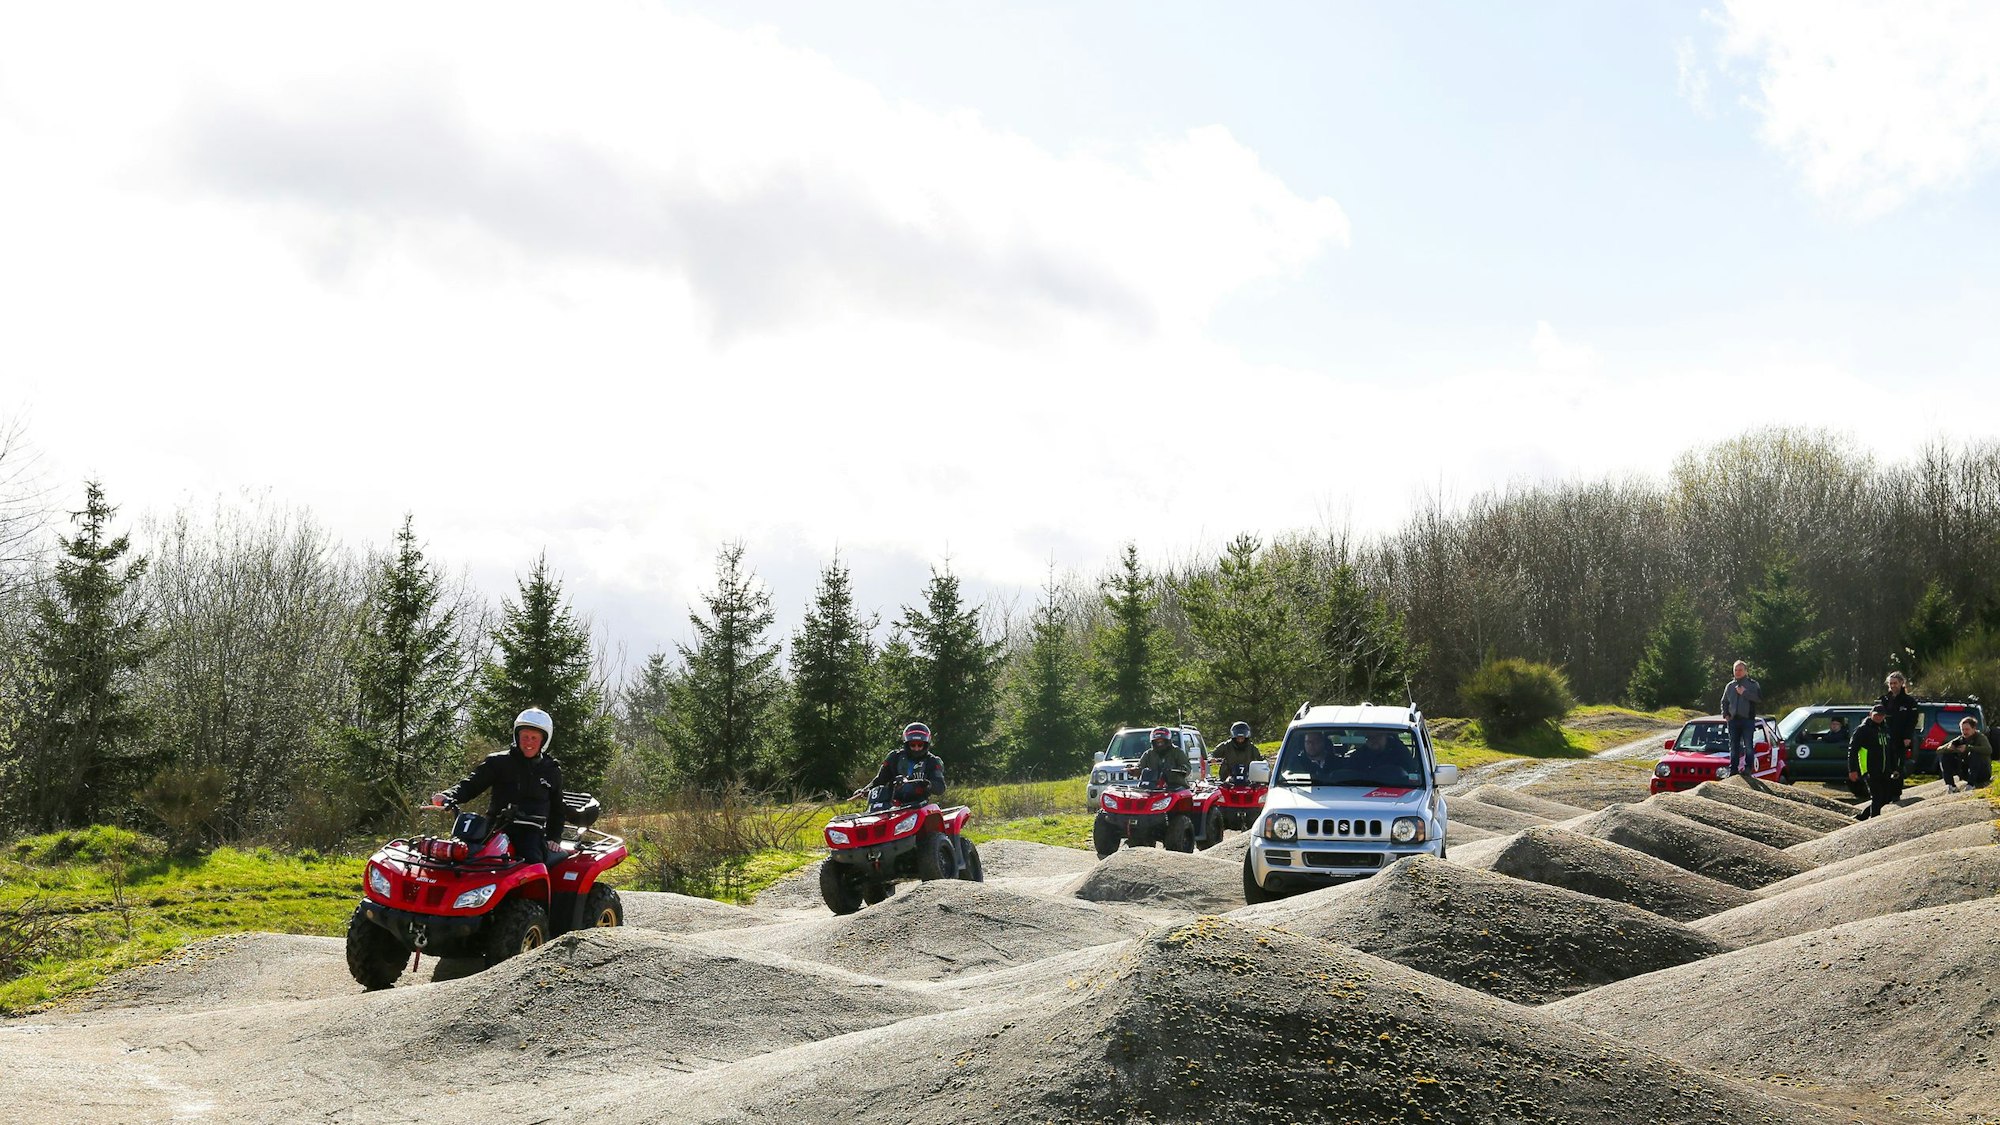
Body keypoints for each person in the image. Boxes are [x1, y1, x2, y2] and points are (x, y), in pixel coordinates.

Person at [433, 707, 566, 867]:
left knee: (530, 866)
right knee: (460, 857)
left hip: (530, 834)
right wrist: (448, 795)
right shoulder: (498, 762)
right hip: (494, 829)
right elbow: (471, 784)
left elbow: (558, 808)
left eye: (534, 738)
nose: (528, 742)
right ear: (517, 736)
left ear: (543, 741)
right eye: (524, 737)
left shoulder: (551, 770)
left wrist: (554, 838)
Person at [859, 722, 947, 806]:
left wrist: (927, 784)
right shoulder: (894, 757)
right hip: (891, 806)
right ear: (906, 744)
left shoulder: (933, 761)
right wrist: (865, 791)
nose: (916, 748)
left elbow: (940, 788)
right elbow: (880, 780)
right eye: (912, 744)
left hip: (919, 806)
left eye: (920, 745)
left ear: (926, 745)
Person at [1847, 705, 1899, 820]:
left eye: (1881, 715)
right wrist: (1852, 770)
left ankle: (1862, 817)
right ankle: (1874, 820)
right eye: (1876, 715)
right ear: (1870, 714)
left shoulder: (1886, 729)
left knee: (1886, 797)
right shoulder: (1863, 729)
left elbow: (1891, 750)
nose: (1879, 717)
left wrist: (1895, 767)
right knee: (1877, 796)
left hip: (1885, 769)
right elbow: (1853, 750)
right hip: (1869, 769)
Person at [1876, 671, 1920, 796]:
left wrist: (1907, 737)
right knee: (1885, 765)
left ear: (1902, 683)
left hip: (1900, 739)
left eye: (1895, 683)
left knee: (1898, 766)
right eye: (1891, 683)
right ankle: (1885, 792)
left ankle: (1896, 793)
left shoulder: (1909, 701)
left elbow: (1912, 721)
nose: (1893, 686)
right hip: (1884, 738)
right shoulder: (1884, 699)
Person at [1719, 661, 1762, 777]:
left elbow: (1758, 699)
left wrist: (1745, 693)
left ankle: (1748, 768)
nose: (1737, 672)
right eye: (1736, 670)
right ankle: (1733, 769)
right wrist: (1726, 714)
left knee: (1748, 745)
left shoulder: (1753, 685)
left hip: (1747, 719)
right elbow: (1724, 702)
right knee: (1733, 745)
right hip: (1733, 720)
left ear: (1746, 671)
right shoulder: (1730, 686)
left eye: (1740, 670)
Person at [1939, 717, 1992, 792]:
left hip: (1982, 773)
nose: (1964, 732)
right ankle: (1951, 786)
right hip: (1966, 773)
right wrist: (1950, 747)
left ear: (1974, 729)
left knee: (1975, 754)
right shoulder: (1961, 739)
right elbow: (1938, 750)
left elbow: (1989, 750)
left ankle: (1971, 785)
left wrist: (1968, 748)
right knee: (1946, 755)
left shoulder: (1980, 737)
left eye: (1967, 729)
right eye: (1962, 729)